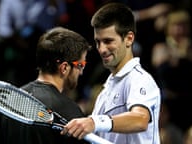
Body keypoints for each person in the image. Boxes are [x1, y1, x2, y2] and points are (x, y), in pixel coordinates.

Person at [61, 3, 161, 144]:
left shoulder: (139, 79)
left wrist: (94, 121)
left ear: (129, 39)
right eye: (98, 42)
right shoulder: (104, 93)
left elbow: (140, 119)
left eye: (108, 41)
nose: (102, 49)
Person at [0, 26, 91, 144]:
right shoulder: (69, 110)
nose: (81, 72)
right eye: (80, 65)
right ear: (64, 67)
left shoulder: (10, 102)